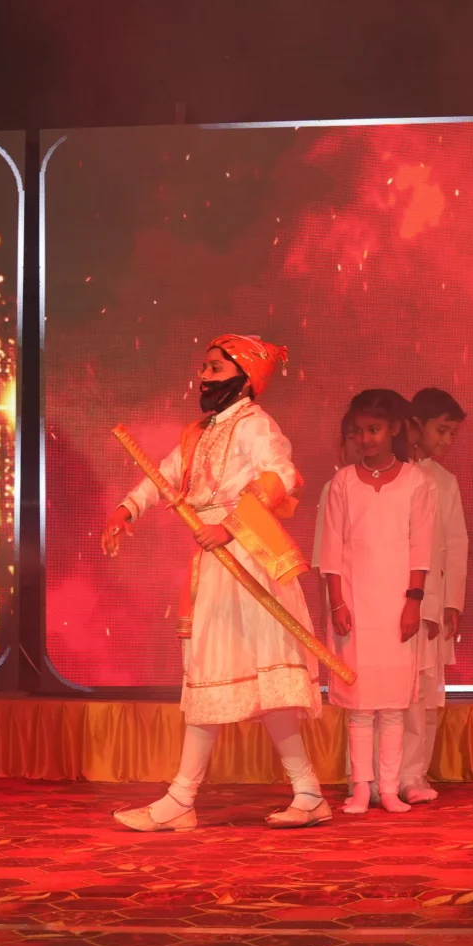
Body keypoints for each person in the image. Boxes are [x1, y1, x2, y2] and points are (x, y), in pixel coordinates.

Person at [101, 334, 331, 830]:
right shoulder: (198, 434)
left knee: (254, 680)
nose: (204, 377)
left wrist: (229, 527)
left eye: (215, 368)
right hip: (215, 563)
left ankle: (188, 798)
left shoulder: (254, 424)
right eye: (203, 368)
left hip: (250, 558)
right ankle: (302, 792)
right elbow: (163, 477)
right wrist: (126, 510)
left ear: (244, 379)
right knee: (217, 677)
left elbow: (280, 476)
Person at [312, 389, 436, 814]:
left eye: (374, 430)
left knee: (394, 706)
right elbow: (331, 549)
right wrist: (337, 603)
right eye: (359, 431)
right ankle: (362, 788)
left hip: (397, 604)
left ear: (394, 429)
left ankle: (389, 788)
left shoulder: (416, 481)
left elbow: (420, 548)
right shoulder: (343, 482)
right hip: (354, 605)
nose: (366, 439)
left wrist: (413, 601)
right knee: (360, 707)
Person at [403, 386, 470, 802]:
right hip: (399, 598)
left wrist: (451, 602)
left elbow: (457, 544)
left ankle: (414, 775)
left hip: (433, 599)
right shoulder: (393, 474)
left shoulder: (445, 482)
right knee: (396, 691)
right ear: (415, 426)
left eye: (452, 434)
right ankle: (378, 774)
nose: (446, 441)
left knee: (426, 693)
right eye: (441, 431)